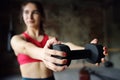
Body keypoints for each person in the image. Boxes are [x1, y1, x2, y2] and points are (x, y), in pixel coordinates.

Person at [10, 0, 108, 80]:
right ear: (22, 16)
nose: (30, 16)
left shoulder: (50, 39)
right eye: (26, 12)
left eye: (35, 12)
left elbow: (68, 46)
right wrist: (42, 54)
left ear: (42, 16)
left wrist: (88, 51)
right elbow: (25, 48)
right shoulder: (16, 39)